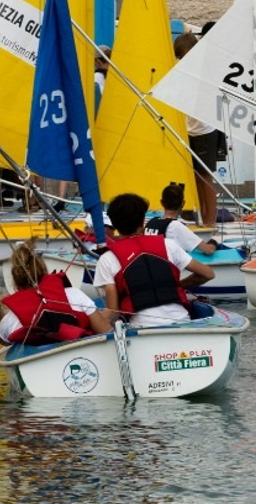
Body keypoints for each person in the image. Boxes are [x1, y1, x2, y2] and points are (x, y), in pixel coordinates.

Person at [92, 192, 214, 325]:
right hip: (182, 320)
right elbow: (208, 274)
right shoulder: (168, 245)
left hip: (141, 327)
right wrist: (176, 287)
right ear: (142, 221)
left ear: (113, 224)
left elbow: (113, 313)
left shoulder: (107, 259)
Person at [0, 242, 116, 344]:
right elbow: (105, 331)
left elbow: (2, 340)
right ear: (45, 273)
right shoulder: (75, 295)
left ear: (15, 283)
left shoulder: (12, 319)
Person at [172, 31, 224, 224]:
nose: (182, 60)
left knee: (205, 177)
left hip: (205, 130)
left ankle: (210, 219)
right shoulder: (184, 71)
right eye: (179, 57)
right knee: (195, 176)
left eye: (184, 55)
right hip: (191, 129)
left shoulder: (204, 72)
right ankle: (202, 214)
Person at [148, 181, 222, 255]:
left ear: (161, 202)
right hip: (167, 262)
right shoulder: (176, 226)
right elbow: (209, 250)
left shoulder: (150, 223)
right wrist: (213, 242)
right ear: (183, 203)